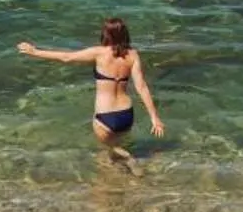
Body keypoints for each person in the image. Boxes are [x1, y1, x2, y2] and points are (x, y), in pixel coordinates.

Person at [17, 16, 165, 150]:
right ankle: (130, 168)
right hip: (126, 115)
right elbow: (141, 87)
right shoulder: (133, 55)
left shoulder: (99, 53)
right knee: (120, 145)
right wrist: (154, 117)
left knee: (107, 154)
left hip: (105, 116)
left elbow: (66, 57)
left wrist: (35, 52)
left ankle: (128, 163)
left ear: (106, 34)